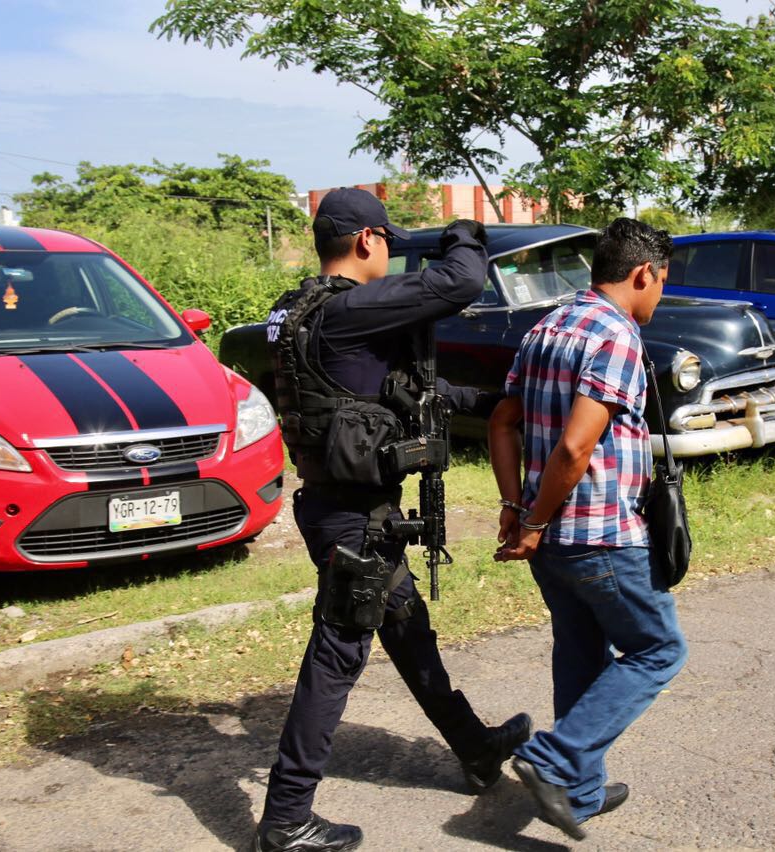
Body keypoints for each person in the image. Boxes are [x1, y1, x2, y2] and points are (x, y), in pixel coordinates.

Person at [255, 188, 531, 852]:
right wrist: (462, 233)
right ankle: (286, 818)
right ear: (369, 242)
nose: (392, 251)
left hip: (345, 508)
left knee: (408, 631)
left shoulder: (296, 311)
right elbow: (463, 279)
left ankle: (475, 747)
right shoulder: (346, 310)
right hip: (352, 520)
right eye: (388, 240)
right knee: (337, 654)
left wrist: (507, 400)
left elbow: (408, 397)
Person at [488, 217, 689, 840]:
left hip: (550, 540)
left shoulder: (548, 325)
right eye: (661, 284)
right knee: (658, 649)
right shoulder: (616, 335)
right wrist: (537, 517)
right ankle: (552, 759)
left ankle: (579, 790)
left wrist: (517, 510)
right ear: (642, 274)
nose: (659, 297)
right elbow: (575, 448)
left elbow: (502, 422)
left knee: (580, 655)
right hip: (599, 535)